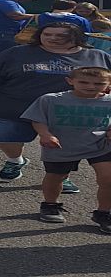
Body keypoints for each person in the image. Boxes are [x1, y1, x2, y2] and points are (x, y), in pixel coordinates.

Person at [0, 22, 111, 186]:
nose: (52, 38)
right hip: (15, 107)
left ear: (76, 37)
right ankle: (15, 160)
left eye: (60, 35)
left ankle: (60, 177)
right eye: (47, 34)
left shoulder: (96, 56)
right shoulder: (17, 52)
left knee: (64, 147)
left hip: (69, 113)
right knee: (5, 138)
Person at [20, 66, 111, 231]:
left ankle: (103, 213)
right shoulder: (51, 99)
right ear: (70, 81)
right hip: (61, 145)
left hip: (100, 145)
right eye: (83, 82)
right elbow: (38, 119)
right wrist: (45, 134)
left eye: (99, 83)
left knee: (108, 179)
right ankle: (50, 204)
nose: (91, 86)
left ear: (108, 84)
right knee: (57, 177)